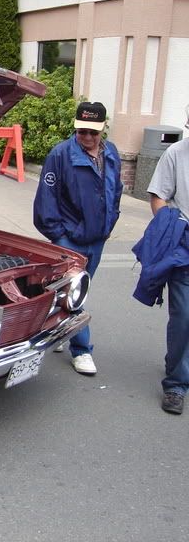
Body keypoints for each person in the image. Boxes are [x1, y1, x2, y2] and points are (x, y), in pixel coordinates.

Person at [33, 101, 123, 375]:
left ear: (103, 129)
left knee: (74, 291)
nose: (86, 137)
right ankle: (82, 350)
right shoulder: (60, 155)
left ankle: (59, 327)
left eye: (92, 132)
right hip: (69, 241)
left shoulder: (112, 153)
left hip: (97, 238)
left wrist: (110, 223)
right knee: (76, 292)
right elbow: (45, 201)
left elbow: (115, 190)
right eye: (82, 131)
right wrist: (59, 236)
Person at [139, 104, 189, 415]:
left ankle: (178, 363)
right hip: (185, 243)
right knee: (184, 316)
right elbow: (158, 194)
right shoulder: (177, 153)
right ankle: (175, 383)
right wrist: (169, 227)